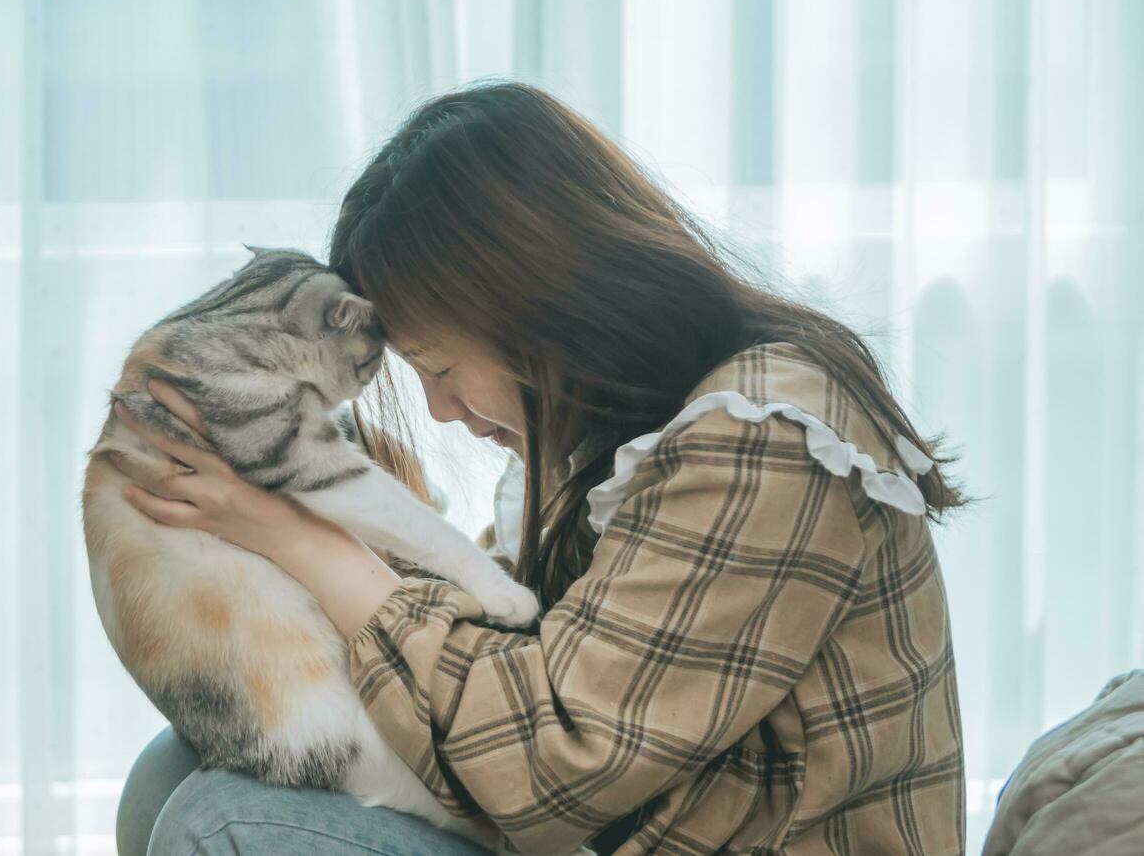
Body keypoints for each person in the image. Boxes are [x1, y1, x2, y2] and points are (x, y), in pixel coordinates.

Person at [113, 81, 966, 855]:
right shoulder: (618, 437)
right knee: (179, 763)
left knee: (220, 819)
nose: (442, 409)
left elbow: (555, 760)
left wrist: (308, 547)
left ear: (542, 300)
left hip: (611, 811)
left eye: (441, 369)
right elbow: (513, 648)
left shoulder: (762, 439)